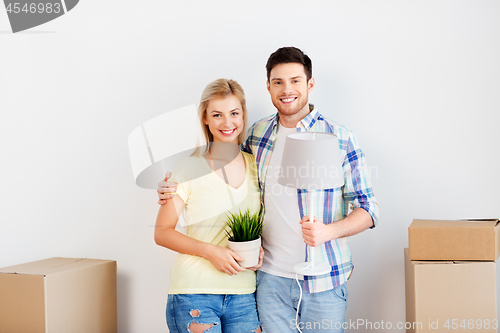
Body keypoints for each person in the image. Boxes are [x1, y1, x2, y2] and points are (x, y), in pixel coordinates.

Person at [158, 47, 379, 333]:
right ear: (268, 87)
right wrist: (171, 185)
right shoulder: (256, 136)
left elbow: (369, 208)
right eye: (278, 82)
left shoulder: (339, 138)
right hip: (268, 281)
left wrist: (330, 231)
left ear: (310, 84)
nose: (287, 90)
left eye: (295, 81)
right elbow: (222, 175)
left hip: (324, 279)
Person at [154, 78, 262, 333]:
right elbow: (162, 232)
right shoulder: (187, 168)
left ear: (243, 115)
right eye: (217, 115)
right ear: (205, 118)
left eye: (234, 113)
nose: (227, 123)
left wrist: (260, 250)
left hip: (244, 293)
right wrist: (211, 252)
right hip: (194, 294)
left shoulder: (257, 167)